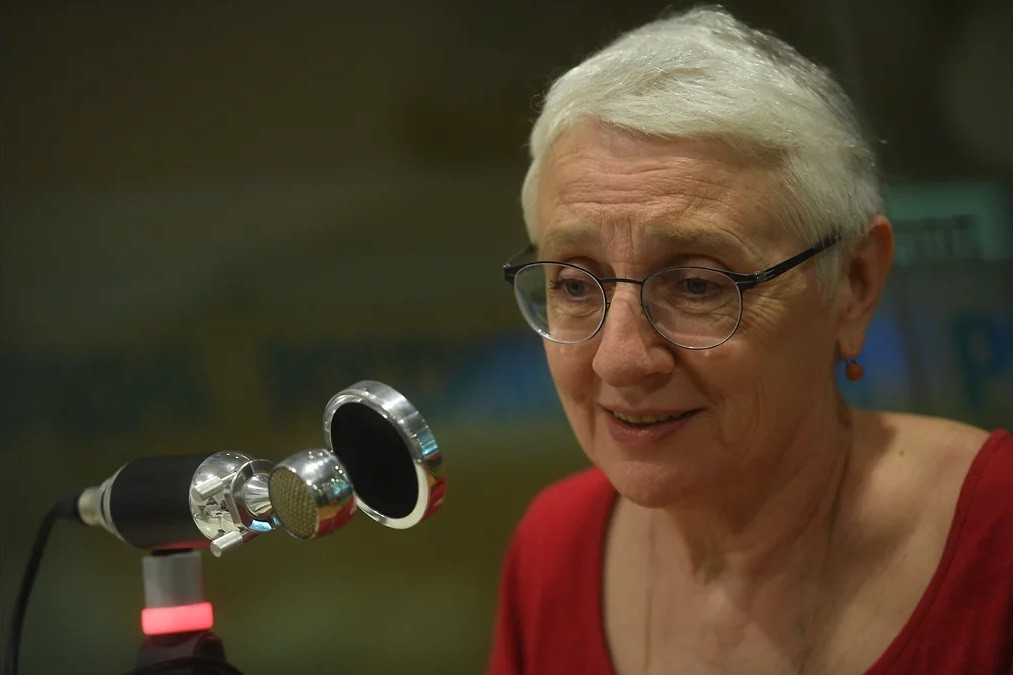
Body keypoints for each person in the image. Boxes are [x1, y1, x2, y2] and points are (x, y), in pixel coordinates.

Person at [487, 6, 1011, 675]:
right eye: (574, 284)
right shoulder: (553, 549)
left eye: (697, 285)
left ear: (853, 283)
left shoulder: (998, 535)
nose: (619, 359)